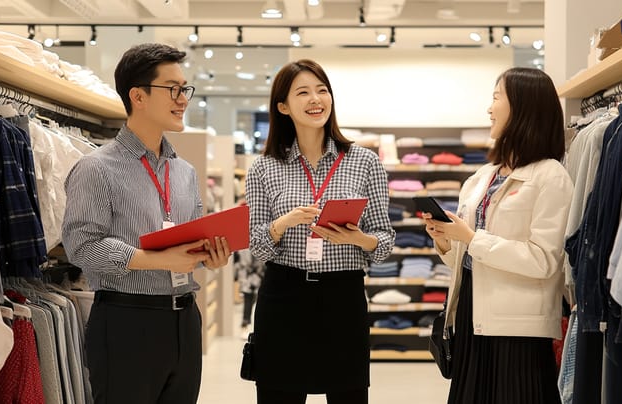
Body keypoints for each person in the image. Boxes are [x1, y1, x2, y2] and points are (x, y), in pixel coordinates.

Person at [61, 43, 231, 404]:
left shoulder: (183, 171)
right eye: (173, 88)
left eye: (185, 88)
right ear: (138, 95)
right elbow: (81, 246)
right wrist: (157, 260)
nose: (183, 98)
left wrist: (209, 255)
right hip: (126, 321)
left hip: (185, 320)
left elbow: (192, 239)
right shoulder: (96, 168)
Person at [245, 59, 395, 404]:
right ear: (283, 106)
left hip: (343, 297)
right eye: (303, 92)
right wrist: (284, 223)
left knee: (348, 395)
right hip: (283, 296)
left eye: (322, 90)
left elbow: (384, 240)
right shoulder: (264, 167)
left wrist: (358, 238)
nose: (316, 99)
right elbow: (257, 246)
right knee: (278, 394)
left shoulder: (365, 161)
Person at [423, 67, 573, 404]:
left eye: (496, 97)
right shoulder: (482, 177)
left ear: (523, 107)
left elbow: (545, 259)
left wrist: (473, 239)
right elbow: (466, 258)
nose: (489, 109)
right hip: (471, 315)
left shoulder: (551, 176)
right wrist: (447, 240)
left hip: (518, 326)